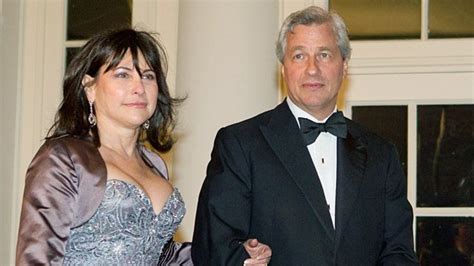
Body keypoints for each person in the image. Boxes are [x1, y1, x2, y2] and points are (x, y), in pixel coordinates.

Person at [16, 28, 270, 265]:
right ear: (89, 88)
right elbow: (36, 256)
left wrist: (234, 254)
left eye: (148, 76)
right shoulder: (63, 157)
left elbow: (166, 257)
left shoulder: (155, 165)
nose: (139, 88)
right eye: (122, 74)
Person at [192, 6, 419, 265]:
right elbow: (213, 248)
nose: (312, 69)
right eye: (299, 56)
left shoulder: (382, 154)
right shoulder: (239, 145)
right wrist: (244, 258)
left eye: (324, 54)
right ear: (283, 68)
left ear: (344, 66)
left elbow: (398, 253)